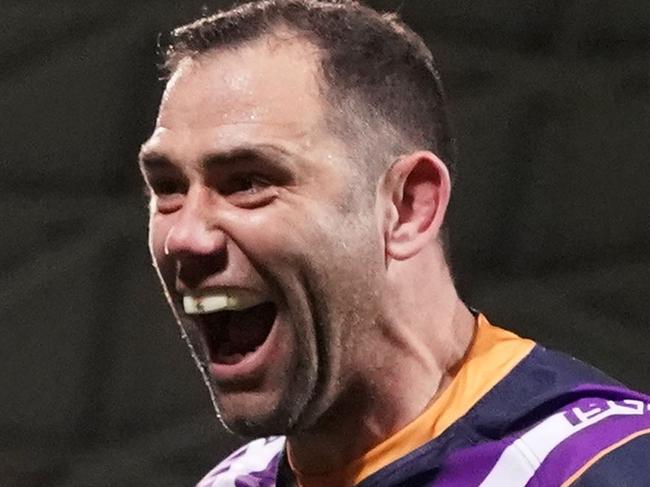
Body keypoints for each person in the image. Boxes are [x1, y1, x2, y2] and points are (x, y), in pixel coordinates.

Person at [138, 1, 650, 485]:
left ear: (406, 207)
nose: (185, 236)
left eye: (248, 182)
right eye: (167, 189)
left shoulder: (601, 466)